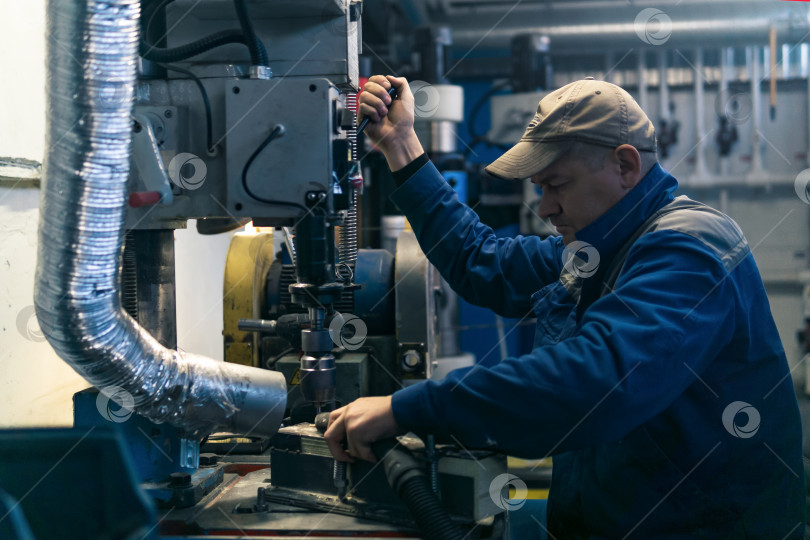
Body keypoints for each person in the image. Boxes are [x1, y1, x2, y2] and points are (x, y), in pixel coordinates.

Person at [324, 75, 805, 538]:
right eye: (539, 189)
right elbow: (481, 261)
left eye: (557, 184)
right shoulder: (600, 249)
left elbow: (594, 381)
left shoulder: (689, 250)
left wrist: (410, 407)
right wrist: (400, 144)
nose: (545, 207)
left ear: (625, 165)